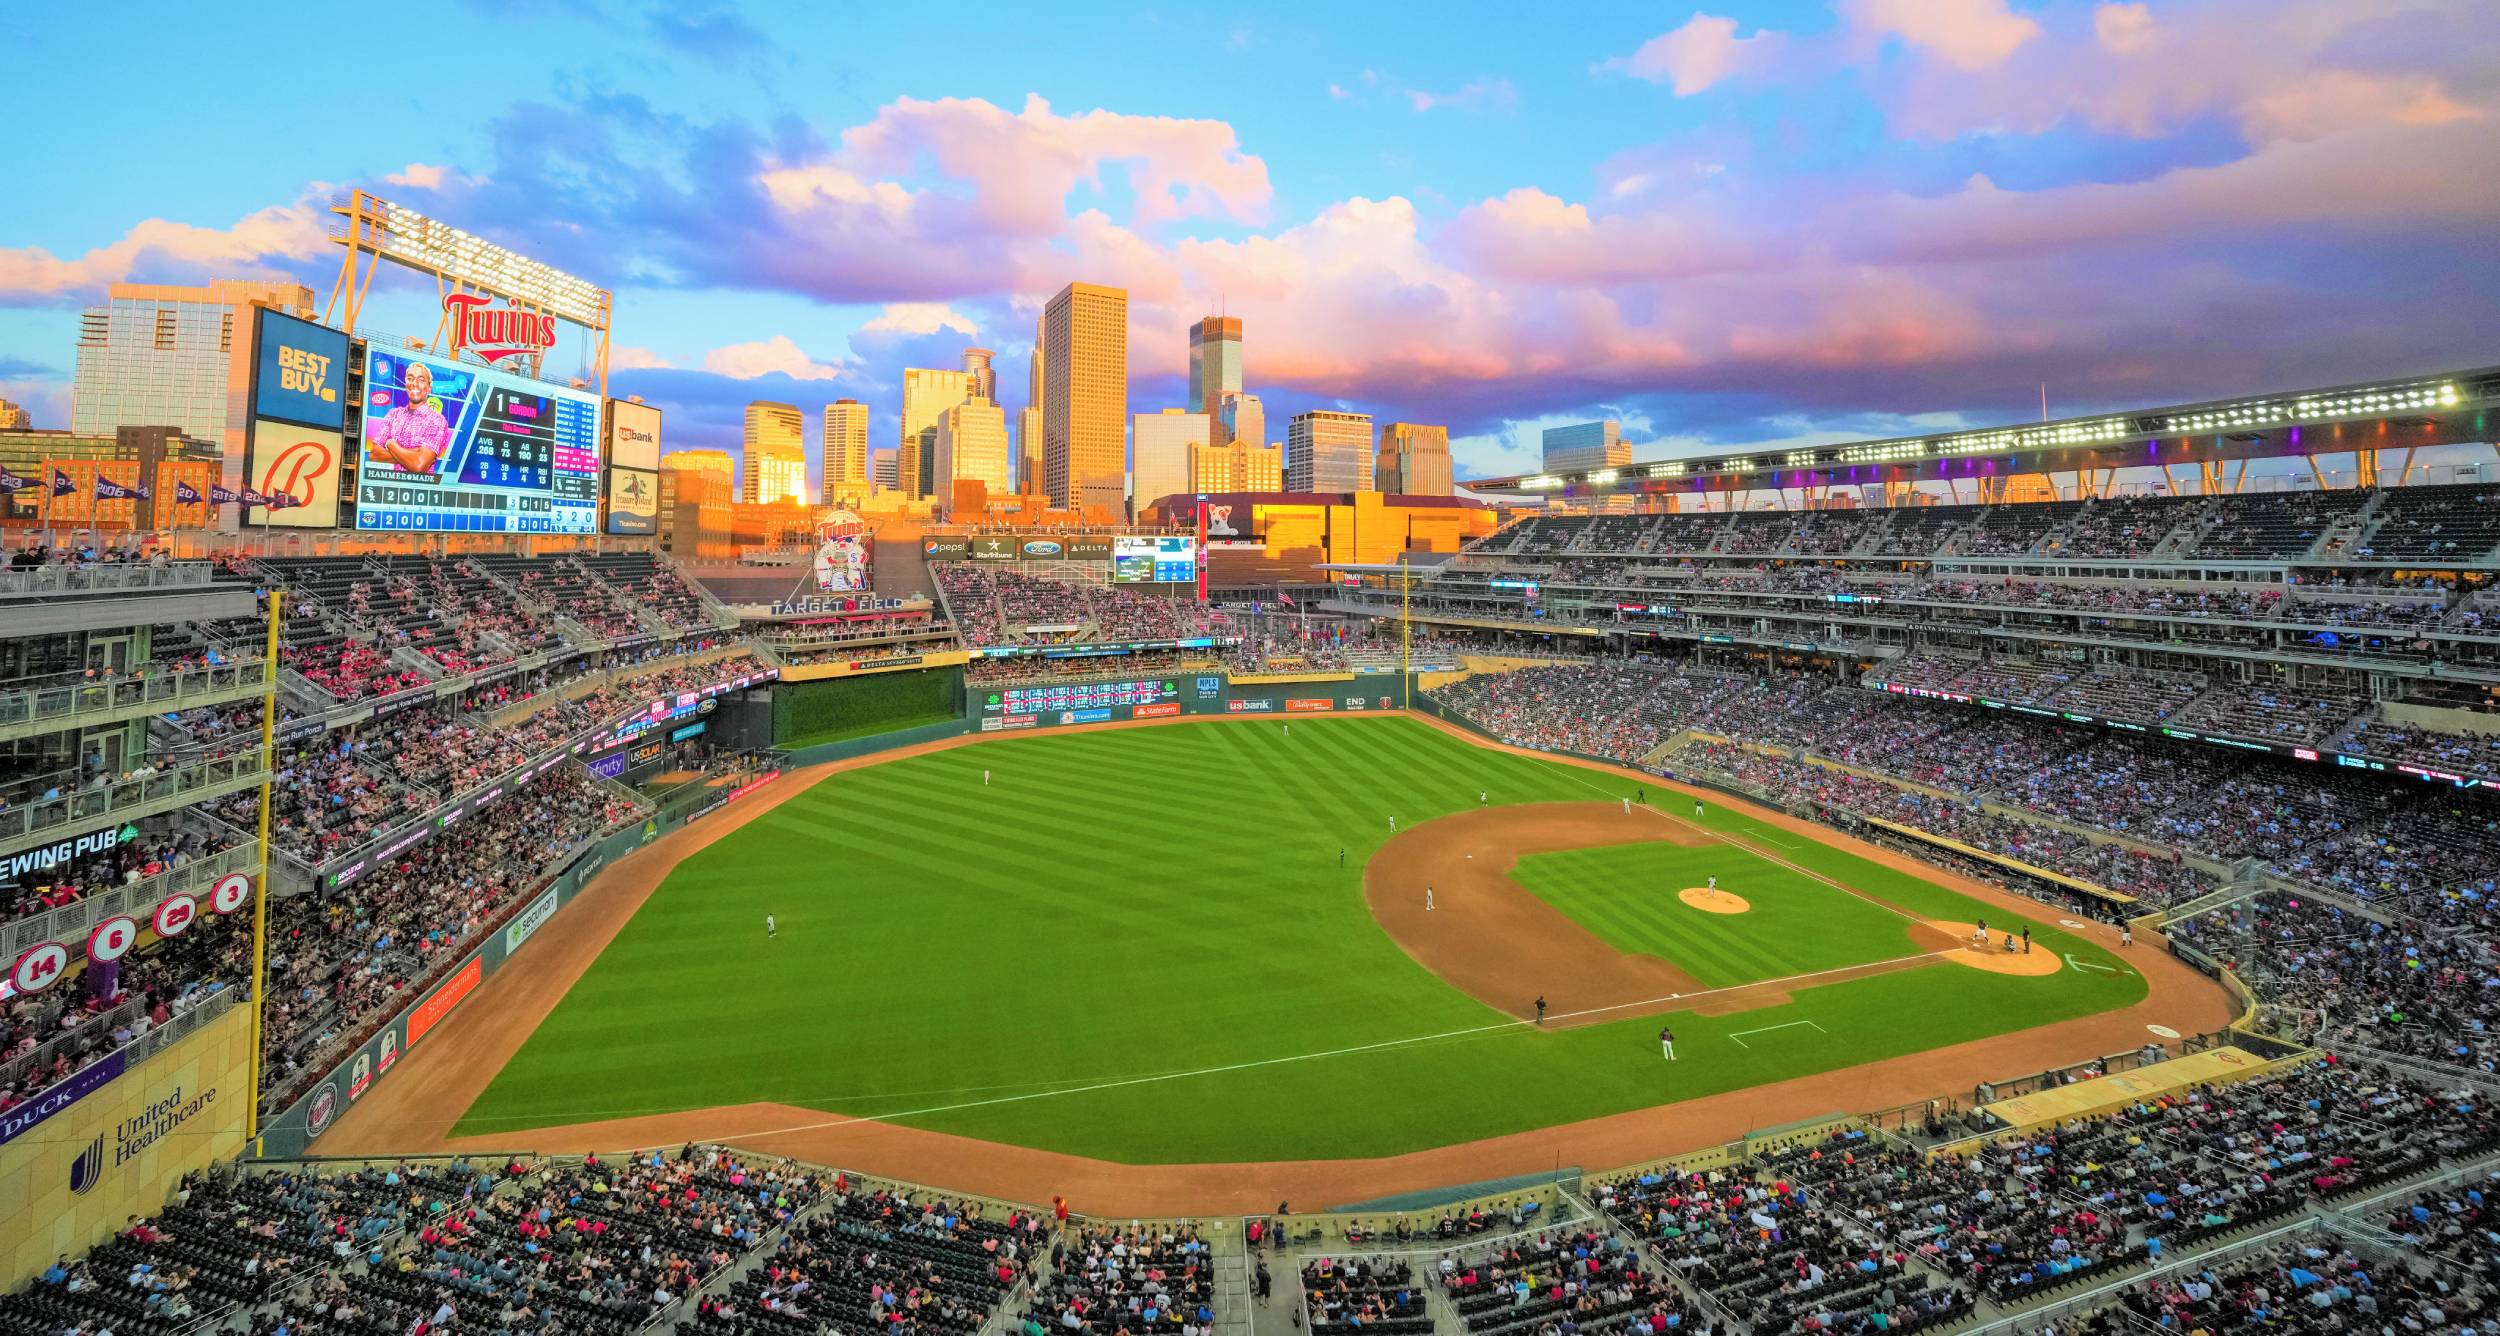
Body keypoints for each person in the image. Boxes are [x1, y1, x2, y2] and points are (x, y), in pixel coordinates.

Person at [363, 359, 452, 474]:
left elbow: (419, 465)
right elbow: (374, 454)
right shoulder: (393, 414)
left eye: (421, 380)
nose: (414, 383)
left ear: (429, 388)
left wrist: (391, 444)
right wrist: (413, 454)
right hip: (386, 486)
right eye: (410, 378)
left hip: (417, 489)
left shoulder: (437, 420)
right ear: (406, 384)